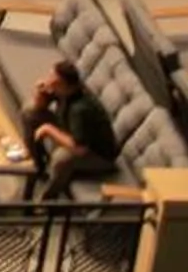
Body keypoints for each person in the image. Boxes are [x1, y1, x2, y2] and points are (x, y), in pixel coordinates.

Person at [23, 59, 122, 200]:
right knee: (29, 113)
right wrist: (40, 92)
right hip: (70, 130)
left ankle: (48, 200)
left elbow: (79, 148)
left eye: (54, 81)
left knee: (61, 158)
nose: (49, 82)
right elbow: (38, 107)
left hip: (98, 154)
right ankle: (38, 165)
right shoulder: (63, 90)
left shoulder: (80, 109)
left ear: (65, 86)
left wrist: (49, 130)